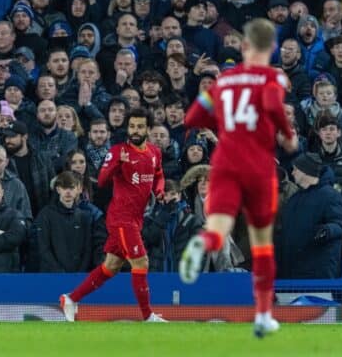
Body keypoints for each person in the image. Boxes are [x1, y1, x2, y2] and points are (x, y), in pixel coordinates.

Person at [180, 18, 299, 337]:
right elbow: (276, 111)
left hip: (225, 162)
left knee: (217, 231)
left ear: (244, 47)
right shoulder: (270, 80)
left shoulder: (222, 83)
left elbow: (192, 117)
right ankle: (262, 315)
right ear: (271, 48)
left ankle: (201, 243)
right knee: (261, 245)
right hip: (257, 166)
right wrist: (288, 136)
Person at [60, 107, 165, 323]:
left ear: (148, 129)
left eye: (140, 126)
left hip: (136, 218)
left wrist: (160, 190)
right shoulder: (118, 151)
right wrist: (119, 163)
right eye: (132, 126)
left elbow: (159, 175)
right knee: (141, 262)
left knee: (112, 266)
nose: (135, 131)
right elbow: (103, 178)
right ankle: (148, 317)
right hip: (121, 218)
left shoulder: (154, 152)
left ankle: (71, 299)